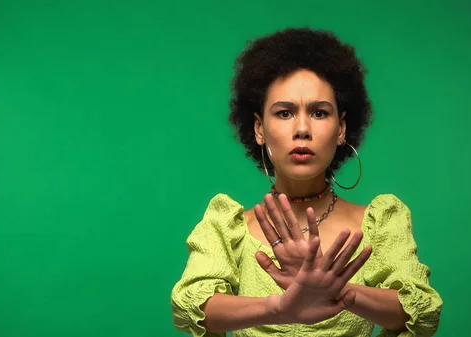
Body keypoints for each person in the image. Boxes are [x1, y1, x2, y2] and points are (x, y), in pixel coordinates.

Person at [170, 27, 443, 337]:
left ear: (341, 129)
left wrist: (337, 291)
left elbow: (421, 314)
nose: (302, 129)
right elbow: (191, 310)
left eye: (318, 112)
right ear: (259, 129)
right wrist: (280, 307)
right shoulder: (228, 227)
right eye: (285, 113)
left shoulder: (381, 224)